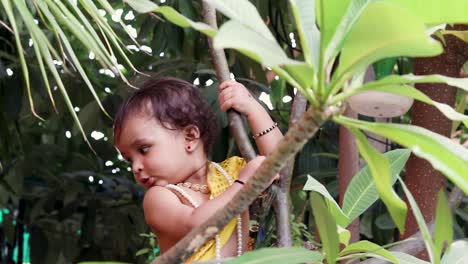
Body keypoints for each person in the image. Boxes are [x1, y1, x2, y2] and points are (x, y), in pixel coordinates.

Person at [113, 77, 282, 262]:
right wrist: (243, 185)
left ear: (190, 137)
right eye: (129, 160)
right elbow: (196, 226)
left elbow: (279, 163)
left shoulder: (229, 173)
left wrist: (252, 108)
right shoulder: (159, 197)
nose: (135, 167)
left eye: (143, 149)